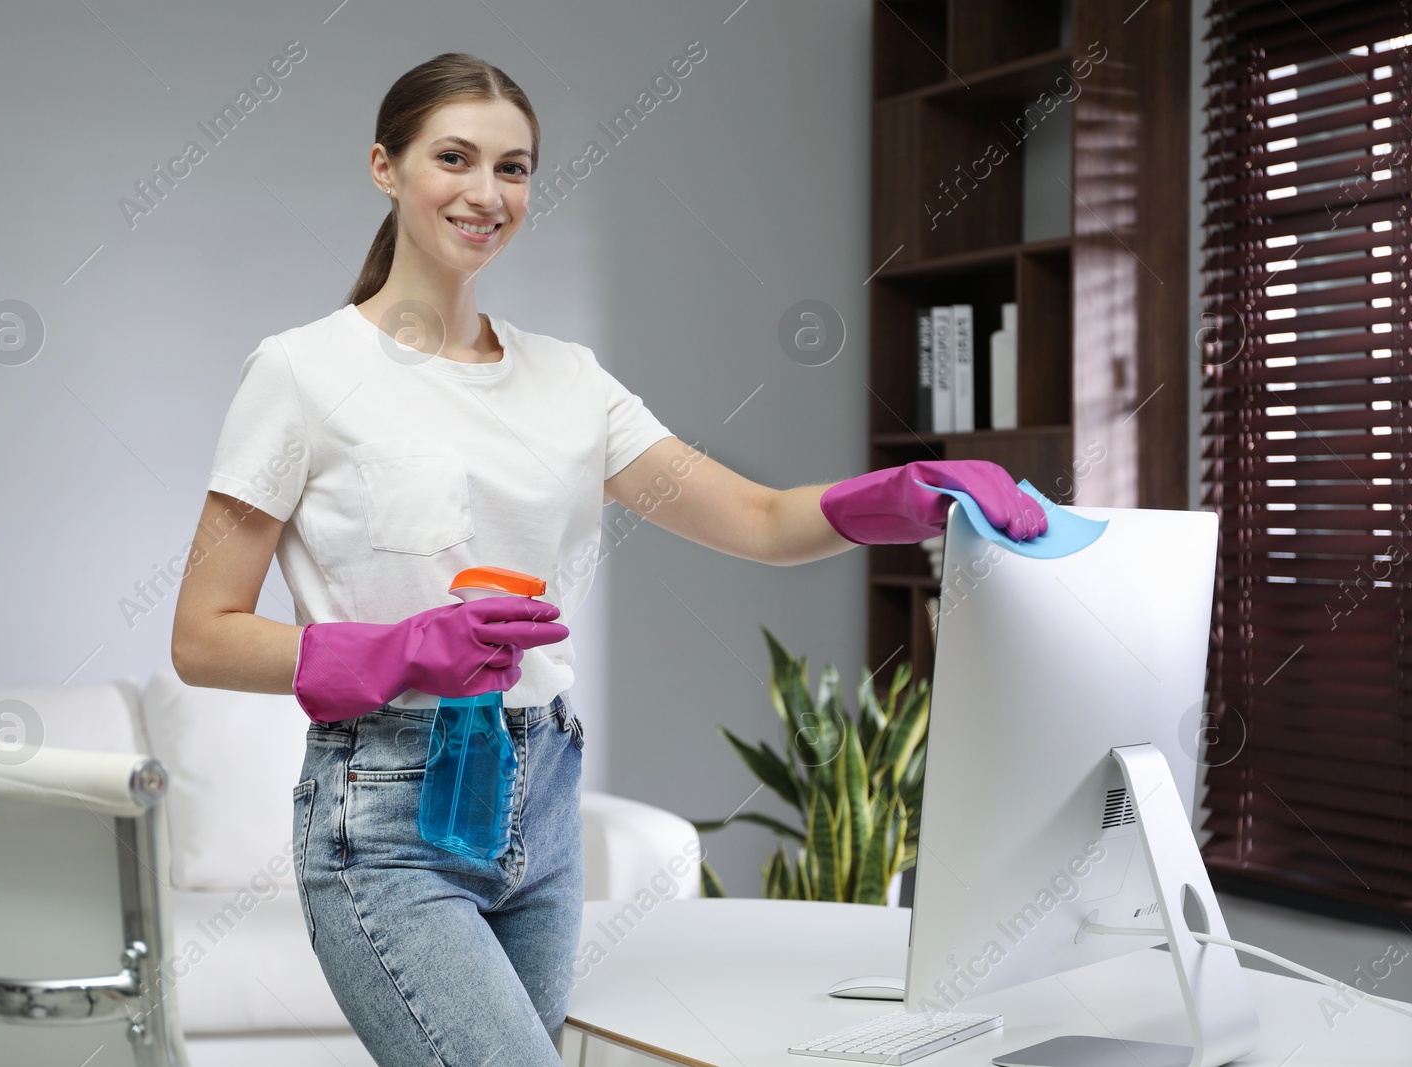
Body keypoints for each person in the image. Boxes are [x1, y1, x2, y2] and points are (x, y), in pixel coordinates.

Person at [170, 51, 1046, 1067]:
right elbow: (203, 633)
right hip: (386, 808)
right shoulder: (301, 371)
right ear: (385, 166)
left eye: (515, 168)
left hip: (541, 794)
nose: (486, 192)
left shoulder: (569, 380)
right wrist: (398, 652)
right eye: (453, 158)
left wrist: (903, 495)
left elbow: (758, 519)